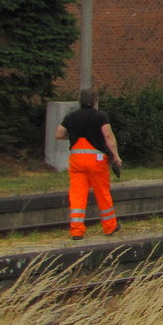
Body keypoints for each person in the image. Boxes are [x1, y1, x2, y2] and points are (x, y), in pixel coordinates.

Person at [55, 88, 124, 239]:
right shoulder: (101, 116)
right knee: (102, 194)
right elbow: (108, 136)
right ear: (95, 102)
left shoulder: (71, 116)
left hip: (77, 161)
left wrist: (72, 135)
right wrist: (116, 156)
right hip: (96, 161)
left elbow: (58, 134)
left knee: (77, 195)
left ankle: (77, 231)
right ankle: (110, 227)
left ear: (80, 101)